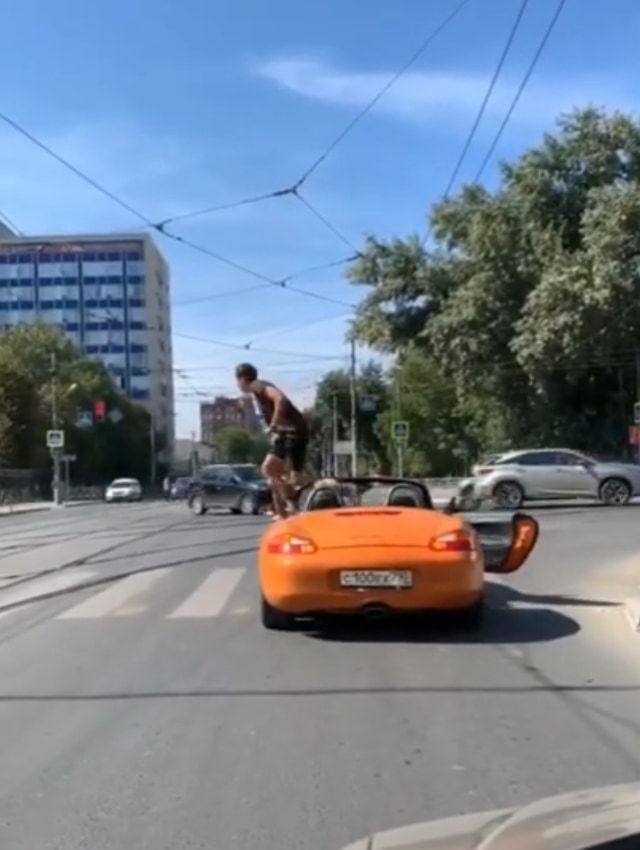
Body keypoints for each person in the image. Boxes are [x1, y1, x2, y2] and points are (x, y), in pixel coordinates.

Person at [235, 363, 311, 519]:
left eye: (237, 380)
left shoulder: (259, 386)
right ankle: (285, 511)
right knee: (276, 475)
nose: (237, 385)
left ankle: (292, 499)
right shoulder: (255, 394)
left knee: (270, 470)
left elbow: (280, 399)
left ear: (243, 379)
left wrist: (275, 424)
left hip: (293, 432)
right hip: (285, 434)